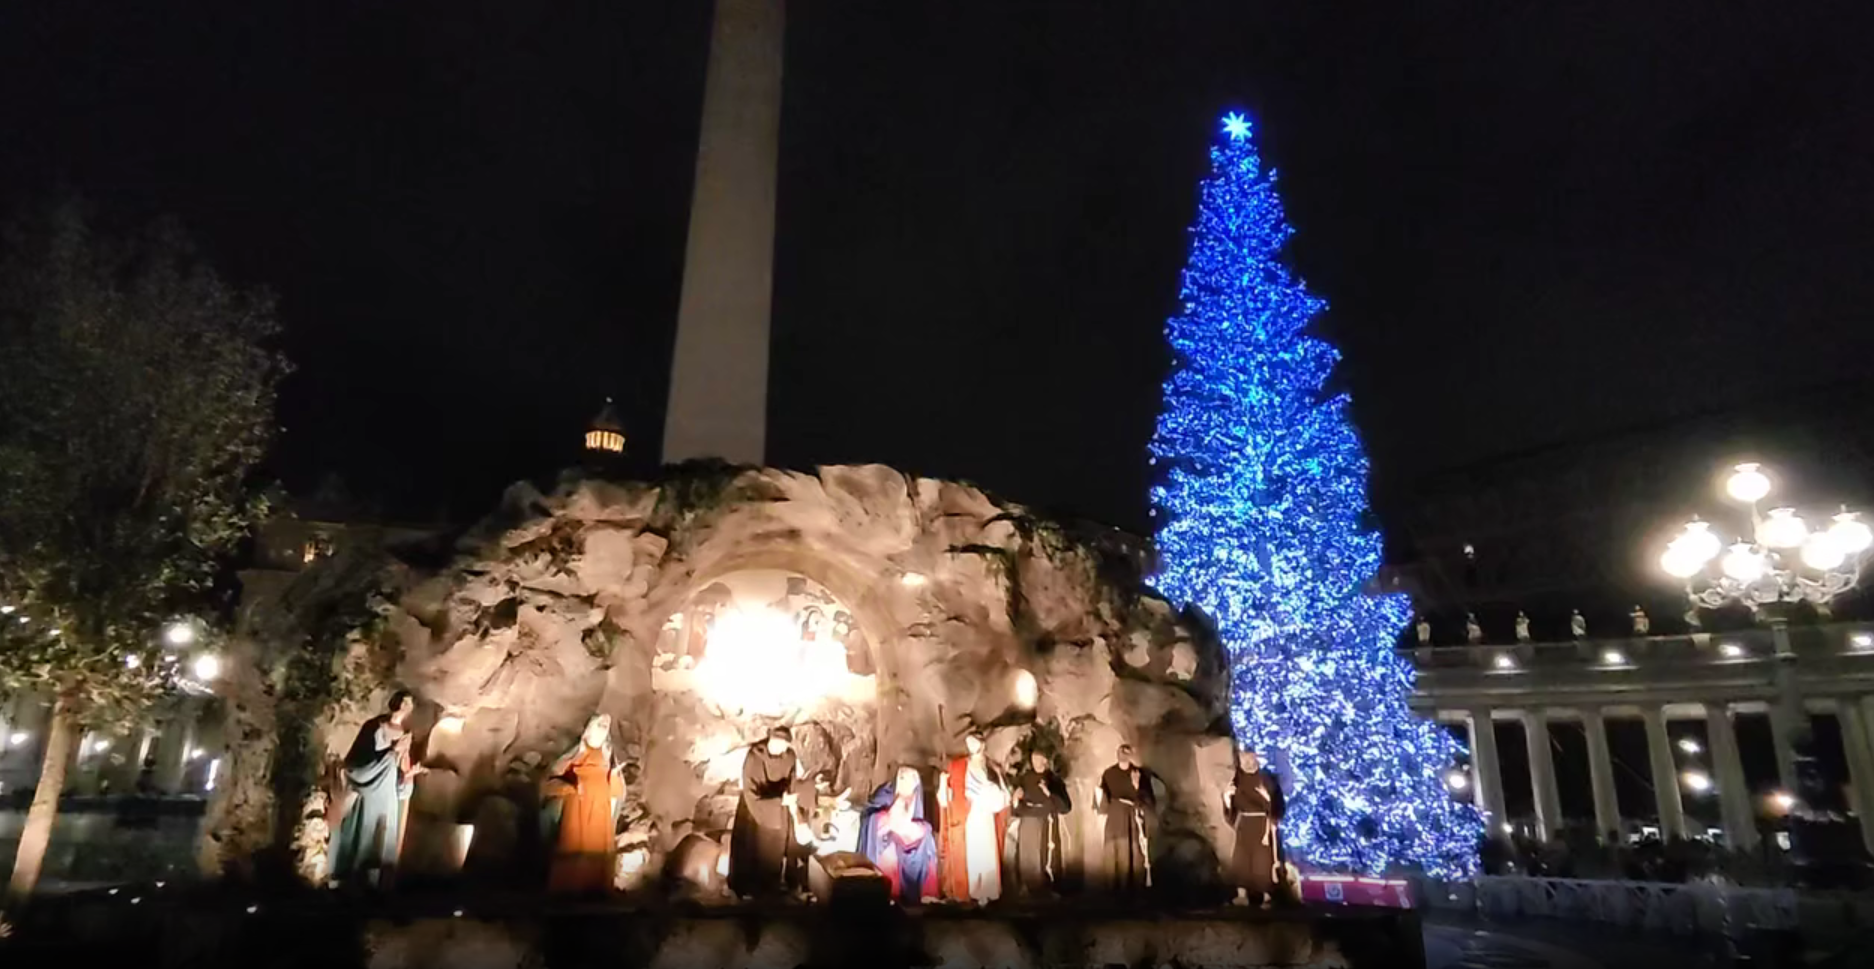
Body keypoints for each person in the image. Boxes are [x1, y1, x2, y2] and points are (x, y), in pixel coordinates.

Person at [330, 690, 426, 888]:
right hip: (370, 790)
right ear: (393, 702)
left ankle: (377, 890)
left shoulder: (404, 737)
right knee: (364, 839)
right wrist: (391, 752)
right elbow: (357, 765)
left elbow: (402, 770)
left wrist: (407, 777)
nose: (403, 707)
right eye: (401, 702)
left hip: (388, 796)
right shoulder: (374, 728)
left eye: (407, 705)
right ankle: (351, 886)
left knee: (382, 843)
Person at [542, 713, 626, 894]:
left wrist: (613, 777)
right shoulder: (575, 754)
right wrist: (569, 788)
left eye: (605, 727)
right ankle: (569, 888)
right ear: (589, 728)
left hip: (600, 809)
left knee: (598, 846)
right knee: (574, 844)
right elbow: (550, 781)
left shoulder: (608, 756)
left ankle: (596, 888)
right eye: (599, 725)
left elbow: (619, 792)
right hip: (577, 808)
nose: (602, 729)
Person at [729, 725, 801, 898]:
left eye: (784, 744)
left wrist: (790, 801)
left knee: (774, 849)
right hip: (755, 808)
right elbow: (751, 791)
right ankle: (747, 890)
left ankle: (771, 887)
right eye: (778, 743)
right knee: (752, 849)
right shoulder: (755, 758)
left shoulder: (789, 757)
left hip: (779, 809)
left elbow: (792, 782)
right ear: (770, 740)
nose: (781, 747)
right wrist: (777, 802)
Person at [938, 731, 1010, 904]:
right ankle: (971, 893)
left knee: (986, 855)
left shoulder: (992, 768)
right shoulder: (958, 767)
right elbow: (946, 797)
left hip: (986, 816)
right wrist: (943, 783)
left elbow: (1003, 795)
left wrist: (993, 793)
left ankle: (987, 894)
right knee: (972, 856)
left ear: (983, 745)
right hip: (969, 817)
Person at [858, 766, 939, 903]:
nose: (904, 779)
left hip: (906, 836)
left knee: (926, 836)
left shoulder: (915, 798)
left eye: (909, 777)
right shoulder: (884, 795)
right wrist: (886, 819)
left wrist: (909, 827)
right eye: (901, 776)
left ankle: (923, 891)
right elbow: (869, 816)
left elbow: (916, 822)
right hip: (886, 840)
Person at [1224, 745, 1286, 907]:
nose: (1248, 762)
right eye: (1244, 759)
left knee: (1263, 860)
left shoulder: (1266, 779)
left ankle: (1266, 895)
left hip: (1262, 825)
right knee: (1241, 859)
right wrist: (1226, 799)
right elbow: (1232, 807)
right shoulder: (1237, 780)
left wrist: (1272, 815)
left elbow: (1276, 802)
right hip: (1244, 824)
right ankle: (1241, 894)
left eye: (1251, 758)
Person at [1095, 743, 1155, 896]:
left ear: (1130, 755)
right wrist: (1099, 796)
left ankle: (1131, 891)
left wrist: (1137, 787)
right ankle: (1112, 890)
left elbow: (1148, 800)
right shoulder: (1109, 774)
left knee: (1132, 853)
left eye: (1126, 752)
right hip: (1115, 819)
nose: (1123, 755)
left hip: (1131, 819)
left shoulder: (1139, 774)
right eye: (1121, 752)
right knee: (1113, 853)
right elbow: (1103, 800)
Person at [1011, 749, 1072, 899]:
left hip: (1047, 821)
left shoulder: (1054, 780)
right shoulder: (1025, 778)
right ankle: (1027, 886)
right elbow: (1017, 805)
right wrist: (1015, 800)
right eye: (1033, 759)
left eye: (1039, 759)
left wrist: (1049, 794)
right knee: (1027, 856)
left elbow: (1065, 807)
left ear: (1045, 761)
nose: (1035, 762)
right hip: (1028, 821)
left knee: (1046, 855)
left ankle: (1049, 887)